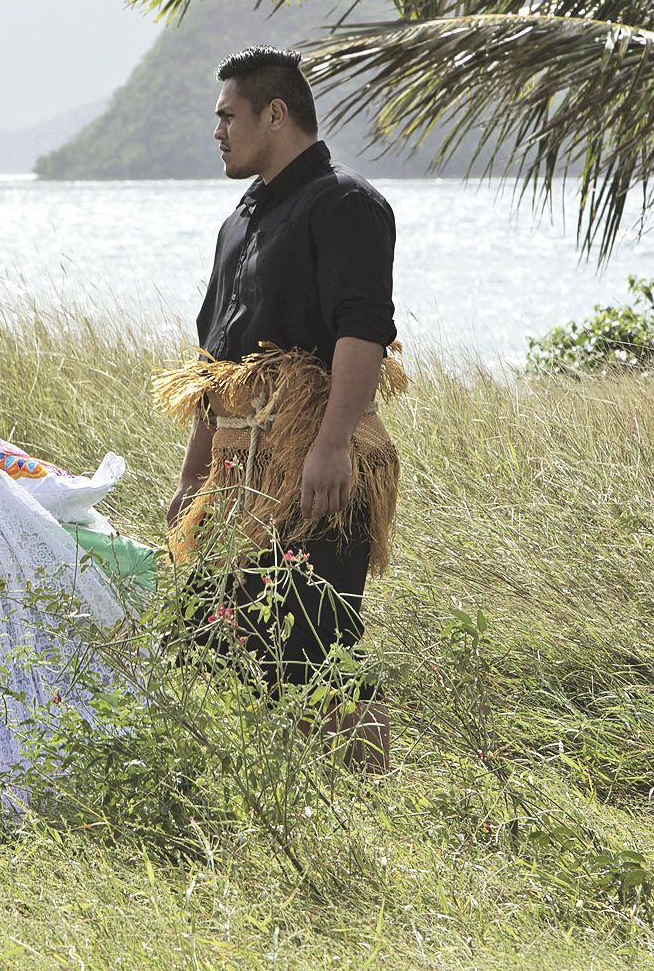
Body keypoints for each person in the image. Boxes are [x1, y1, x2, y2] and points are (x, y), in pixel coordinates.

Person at [158, 46, 401, 768]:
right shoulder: (239, 222)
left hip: (315, 467)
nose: (217, 132)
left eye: (227, 117)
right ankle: (274, 796)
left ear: (274, 113)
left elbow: (363, 331)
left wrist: (330, 445)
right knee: (210, 637)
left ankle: (365, 798)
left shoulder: (345, 203)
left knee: (318, 647)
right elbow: (216, 366)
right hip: (238, 478)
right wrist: (193, 475)